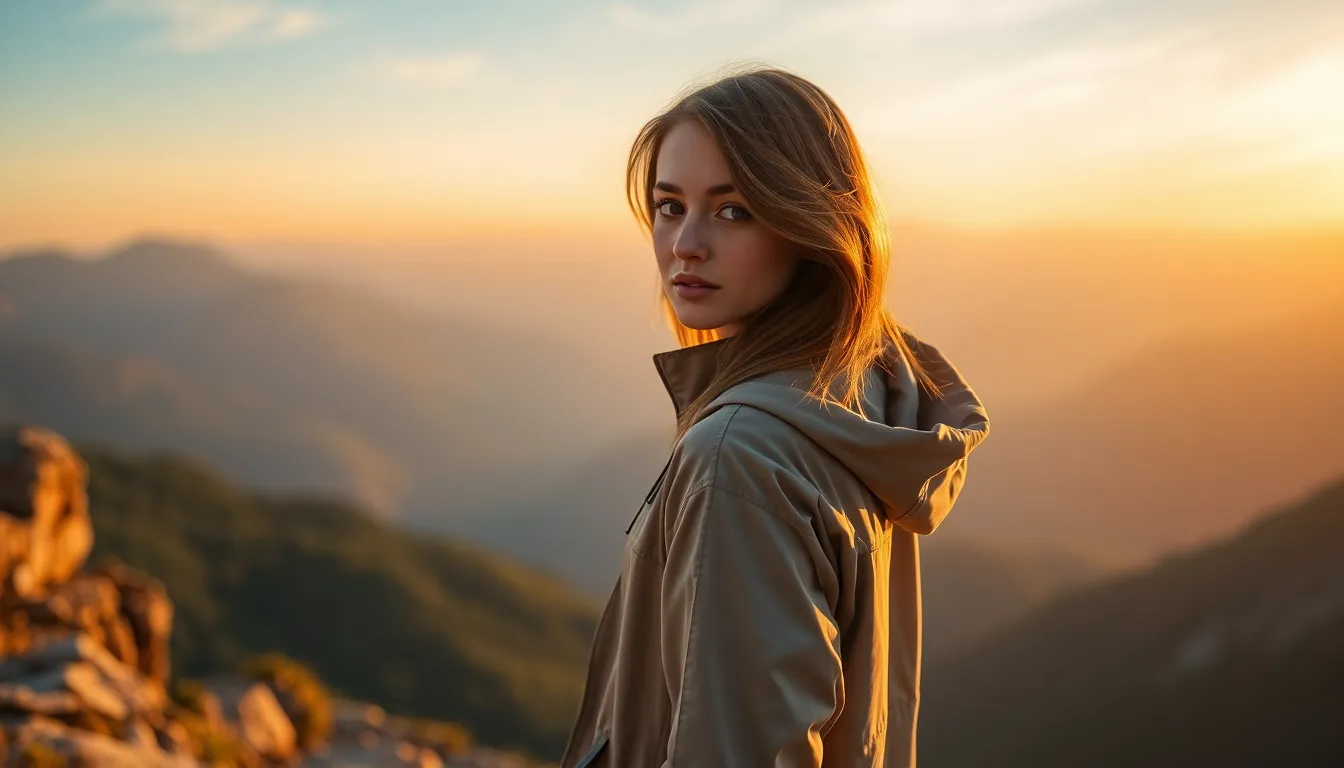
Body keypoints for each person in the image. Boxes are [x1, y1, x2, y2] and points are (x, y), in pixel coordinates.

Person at [559, 64, 992, 768]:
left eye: (735, 210)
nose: (685, 244)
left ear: (810, 224)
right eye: (670, 206)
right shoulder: (865, 395)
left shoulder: (740, 458)